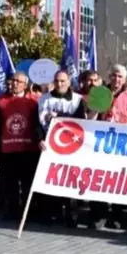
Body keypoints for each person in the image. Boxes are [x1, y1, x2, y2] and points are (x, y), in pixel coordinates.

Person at [38, 70, 86, 226]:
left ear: (69, 82)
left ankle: (71, 215)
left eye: (63, 81)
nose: (60, 84)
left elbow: (80, 123)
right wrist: (39, 139)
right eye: (57, 81)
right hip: (49, 147)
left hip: (70, 147)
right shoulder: (44, 99)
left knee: (69, 182)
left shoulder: (77, 100)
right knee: (51, 181)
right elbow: (37, 123)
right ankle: (53, 213)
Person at [0, 71, 44, 220]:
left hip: (28, 150)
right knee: (10, 183)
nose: (15, 83)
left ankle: (29, 211)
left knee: (27, 182)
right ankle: (12, 211)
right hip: (8, 149)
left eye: (18, 81)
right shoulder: (1, 100)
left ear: (25, 85)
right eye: (13, 80)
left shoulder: (34, 101)